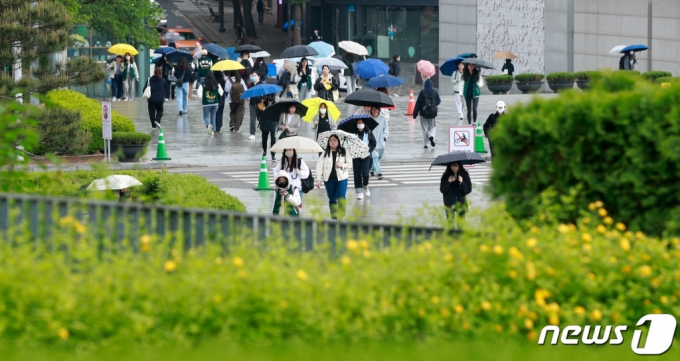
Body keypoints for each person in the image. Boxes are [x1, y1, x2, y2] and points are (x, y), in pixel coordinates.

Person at [315, 134, 352, 220]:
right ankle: (334, 218)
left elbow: (350, 164)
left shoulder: (344, 151)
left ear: (339, 141)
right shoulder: (325, 153)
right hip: (329, 180)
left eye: (335, 140)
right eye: (331, 140)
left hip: (342, 179)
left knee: (341, 197)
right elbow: (319, 165)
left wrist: (341, 165)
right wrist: (318, 179)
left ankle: (341, 216)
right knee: (332, 199)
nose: (332, 142)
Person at [412, 77, 441, 149]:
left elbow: (418, 103)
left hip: (423, 113)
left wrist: (414, 114)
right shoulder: (435, 92)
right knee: (432, 126)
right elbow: (438, 101)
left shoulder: (422, 92)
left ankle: (426, 144)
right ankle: (431, 136)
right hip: (432, 113)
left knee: (424, 128)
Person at [352, 119, 376, 200]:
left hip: (366, 156)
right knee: (357, 174)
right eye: (358, 122)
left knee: (365, 174)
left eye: (361, 122)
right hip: (356, 156)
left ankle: (365, 185)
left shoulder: (368, 132)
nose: (360, 124)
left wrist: (369, 149)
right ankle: (359, 192)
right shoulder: (353, 133)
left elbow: (373, 143)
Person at [368, 106, 388, 180]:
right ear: (371, 110)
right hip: (372, 142)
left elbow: (386, 128)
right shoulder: (369, 119)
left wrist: (384, 136)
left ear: (379, 110)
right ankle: (379, 173)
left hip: (381, 142)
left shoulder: (382, 119)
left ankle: (372, 170)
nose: (375, 111)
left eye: (376, 109)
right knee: (375, 157)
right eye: (373, 109)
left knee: (379, 157)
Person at [258, 94, 278, 161]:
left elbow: (278, 114)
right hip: (265, 123)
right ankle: (264, 151)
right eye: (269, 97)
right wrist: (262, 111)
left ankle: (273, 154)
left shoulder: (276, 105)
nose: (271, 98)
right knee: (264, 138)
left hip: (273, 123)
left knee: (273, 139)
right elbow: (258, 114)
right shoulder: (262, 104)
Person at [247, 72, 265, 140]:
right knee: (252, 119)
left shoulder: (262, 84)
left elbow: (265, 95)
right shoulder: (250, 84)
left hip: (260, 103)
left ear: (259, 77)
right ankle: (252, 134)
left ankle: (264, 131)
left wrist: (264, 104)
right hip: (252, 103)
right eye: (252, 75)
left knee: (261, 118)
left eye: (255, 75)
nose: (253, 77)